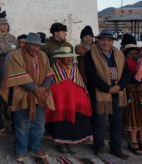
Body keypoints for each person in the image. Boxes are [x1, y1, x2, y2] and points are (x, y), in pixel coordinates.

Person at [0, 32, 54, 162]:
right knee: (22, 124)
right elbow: (19, 76)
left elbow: (49, 73)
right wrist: (35, 89)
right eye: (33, 45)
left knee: (39, 125)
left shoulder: (43, 55)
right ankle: (20, 150)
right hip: (22, 95)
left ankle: (35, 148)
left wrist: (44, 88)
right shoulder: (15, 56)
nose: (36, 48)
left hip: (40, 94)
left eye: (38, 46)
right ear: (27, 44)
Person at [84, 29, 131, 159]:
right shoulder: (90, 55)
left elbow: (127, 73)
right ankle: (98, 146)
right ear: (98, 41)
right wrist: (107, 88)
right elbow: (91, 75)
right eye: (103, 40)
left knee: (116, 122)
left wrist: (119, 86)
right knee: (98, 122)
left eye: (109, 40)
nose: (106, 43)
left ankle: (115, 148)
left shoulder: (119, 54)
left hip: (117, 92)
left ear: (112, 42)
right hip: (99, 94)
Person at [45, 47, 93, 153]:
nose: (68, 59)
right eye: (65, 57)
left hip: (74, 101)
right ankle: (60, 142)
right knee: (60, 121)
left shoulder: (74, 68)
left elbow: (79, 82)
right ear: (60, 58)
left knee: (71, 122)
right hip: (60, 102)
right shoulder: (53, 69)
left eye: (70, 57)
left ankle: (69, 141)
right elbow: (51, 85)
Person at [122, 44, 142, 155]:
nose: (134, 55)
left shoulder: (139, 64)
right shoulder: (125, 66)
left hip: (140, 96)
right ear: (126, 55)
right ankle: (133, 141)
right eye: (131, 53)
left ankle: (141, 139)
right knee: (133, 117)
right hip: (131, 96)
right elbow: (124, 82)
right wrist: (135, 87)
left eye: (136, 53)